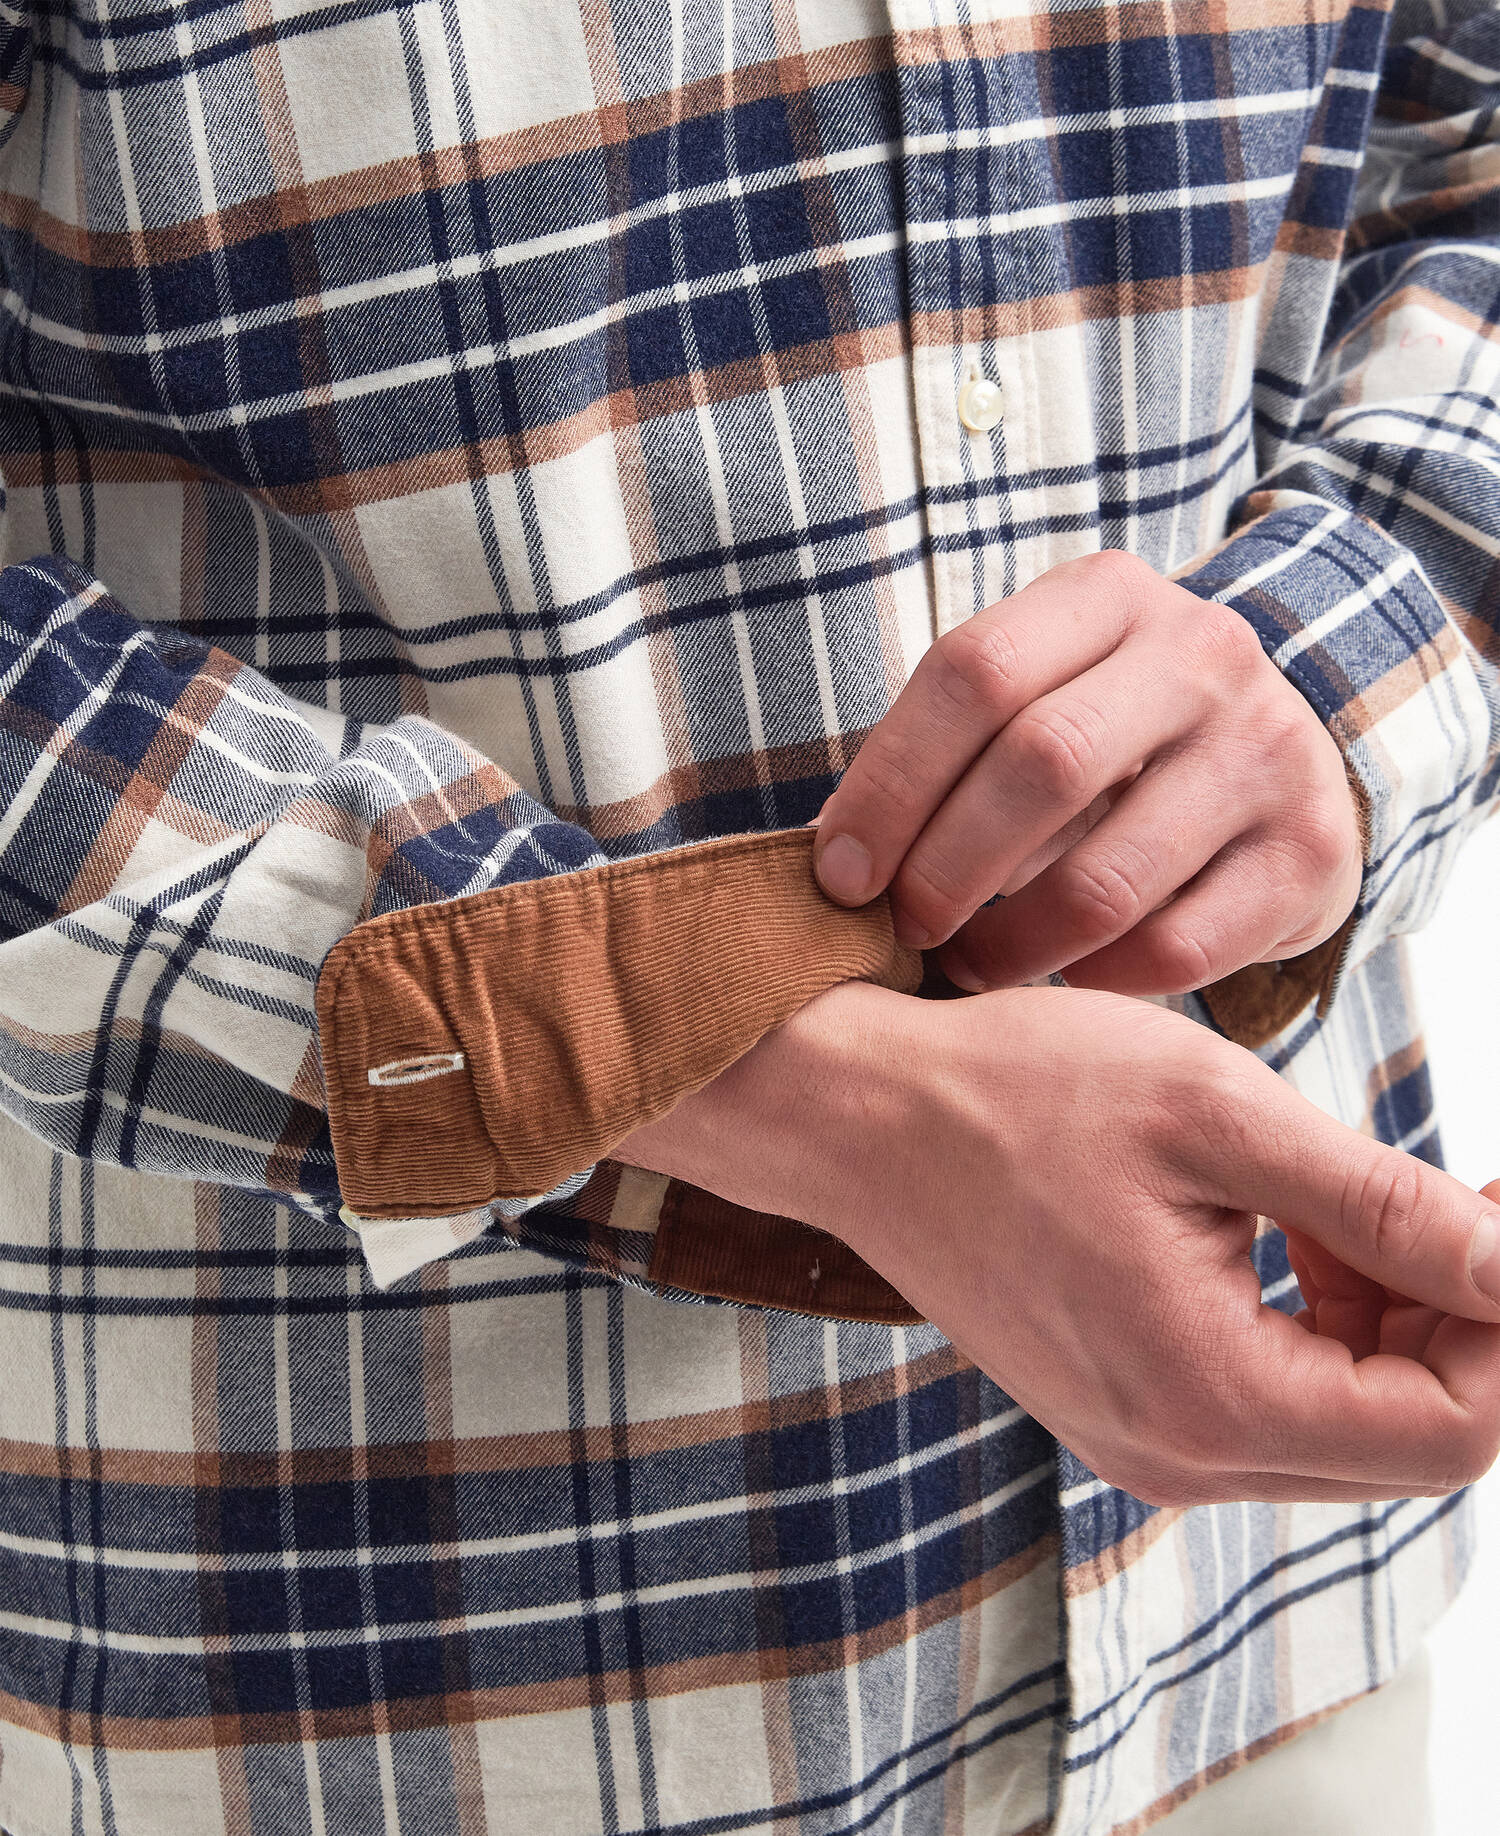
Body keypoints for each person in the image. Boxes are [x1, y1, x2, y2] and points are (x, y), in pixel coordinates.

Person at [0, 0, 1495, 1830]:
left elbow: (1467, 139)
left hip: (1273, 1630)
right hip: (421, 1684)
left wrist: (1354, 654)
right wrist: (784, 1078)